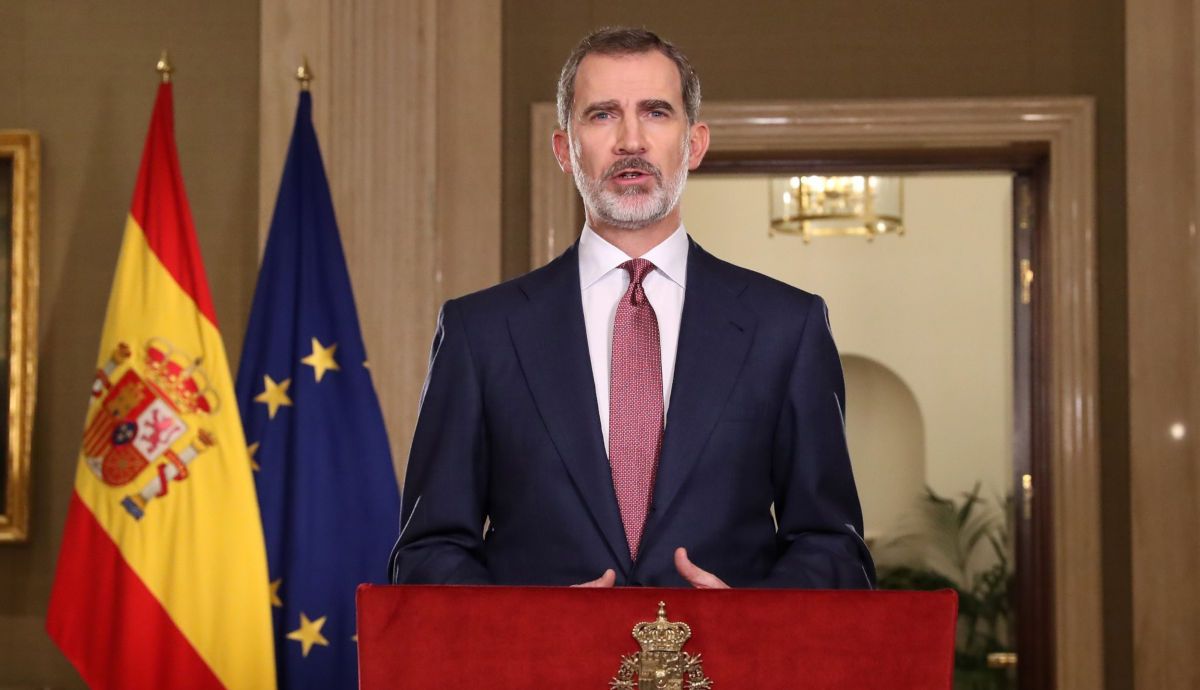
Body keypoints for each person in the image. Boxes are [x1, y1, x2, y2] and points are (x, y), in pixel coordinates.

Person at [388, 27, 874, 589]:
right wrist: (530, 631)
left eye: (656, 112)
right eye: (601, 115)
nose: (631, 140)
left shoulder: (787, 328)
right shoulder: (481, 332)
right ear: (565, 150)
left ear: (693, 144)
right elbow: (428, 553)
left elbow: (834, 548)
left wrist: (748, 623)